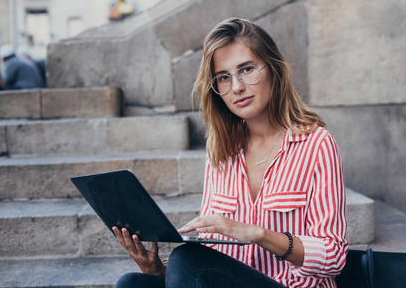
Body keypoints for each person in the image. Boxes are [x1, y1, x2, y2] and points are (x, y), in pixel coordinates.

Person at [113, 17, 348, 288]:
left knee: (187, 258)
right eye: (223, 77)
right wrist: (159, 271)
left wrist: (258, 234)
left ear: (273, 69)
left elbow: (334, 255)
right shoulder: (221, 151)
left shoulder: (317, 145)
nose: (236, 86)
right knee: (132, 283)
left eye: (246, 69)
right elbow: (211, 258)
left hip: (290, 285)